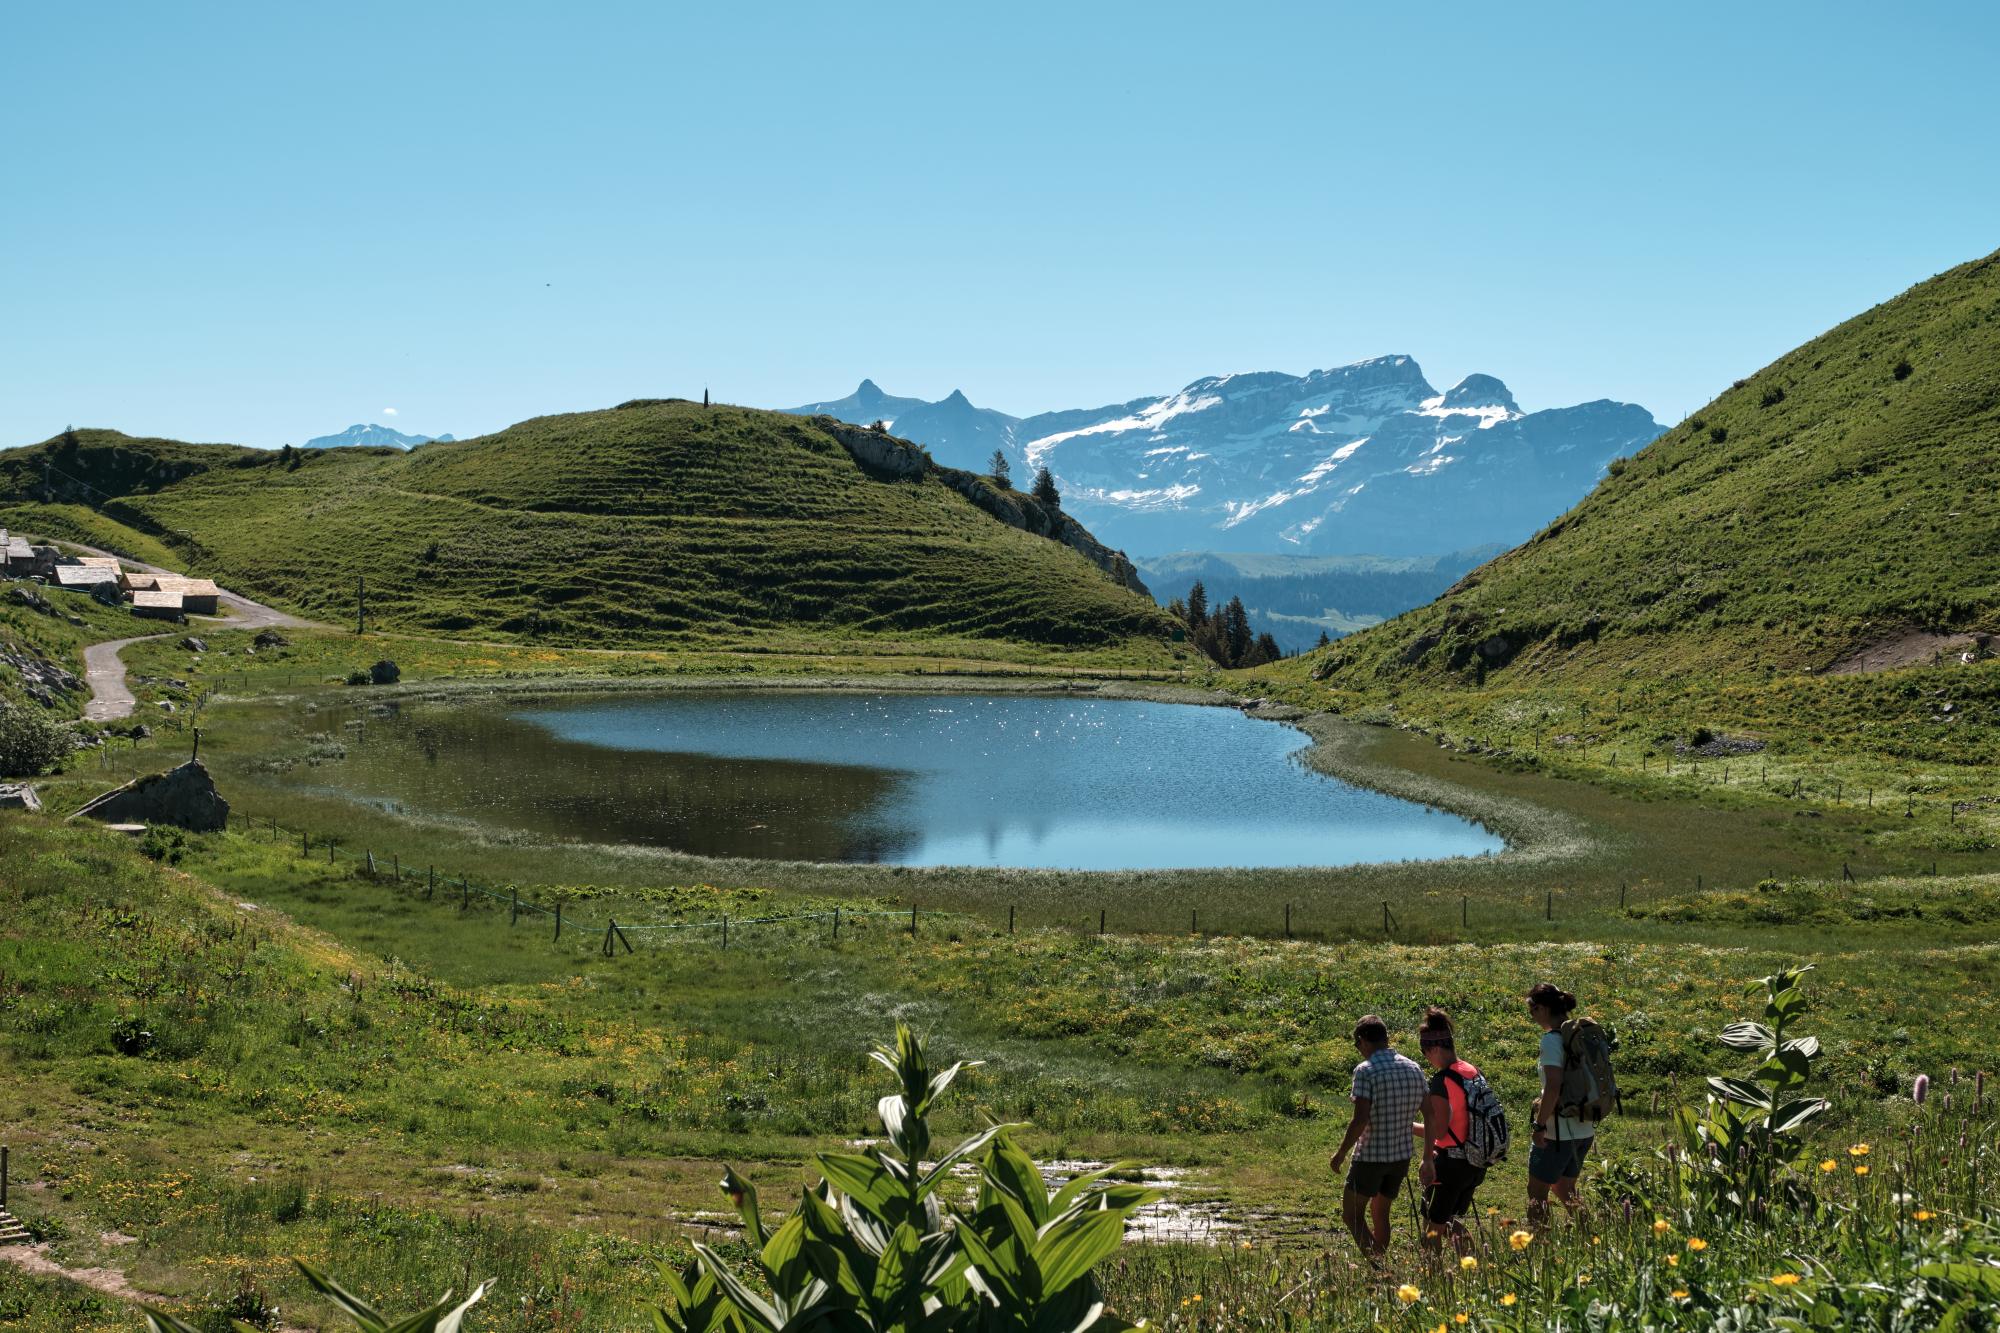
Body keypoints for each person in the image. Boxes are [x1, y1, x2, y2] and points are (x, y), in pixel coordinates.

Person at [1328, 1013, 1427, 1260]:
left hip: (1371, 1156)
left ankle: (1380, 1268)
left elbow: (1360, 1119)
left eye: (1357, 1045)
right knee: (1380, 1212)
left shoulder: (1365, 1071)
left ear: (1363, 1040)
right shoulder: (1413, 1067)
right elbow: (1430, 1114)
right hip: (1401, 1157)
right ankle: (1380, 1264)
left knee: (1351, 1215)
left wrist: (1341, 1152)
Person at [1413, 1007, 1487, 1253]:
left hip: (1452, 1164)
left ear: (1433, 1048)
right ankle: (1476, 1266)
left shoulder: (1442, 1081)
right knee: (1448, 1220)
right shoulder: (1472, 1071)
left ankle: (1432, 1278)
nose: (1427, 1059)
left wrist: (1409, 1126)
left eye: (1425, 1053)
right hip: (1475, 1160)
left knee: (1434, 1227)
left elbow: (1440, 1131)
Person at [1526, 981, 1591, 1227]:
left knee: (1537, 1192)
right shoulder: (1580, 1035)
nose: (1531, 1016)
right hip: (1585, 1127)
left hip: (1558, 1132)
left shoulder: (1552, 1040)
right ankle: (1590, 1234)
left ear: (1542, 1008)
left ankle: (1540, 1250)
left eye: (1532, 1010)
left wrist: (1539, 1125)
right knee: (1565, 1187)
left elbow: (1553, 1085)